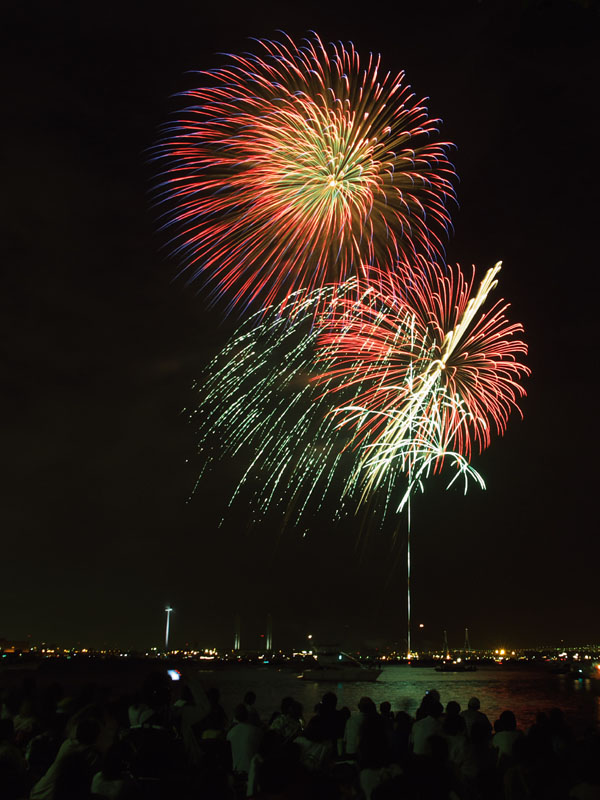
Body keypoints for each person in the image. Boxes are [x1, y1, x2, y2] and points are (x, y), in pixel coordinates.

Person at [226, 704, 263, 774]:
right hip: (253, 771)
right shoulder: (257, 731)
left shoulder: (230, 733)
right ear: (247, 716)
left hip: (236, 772)